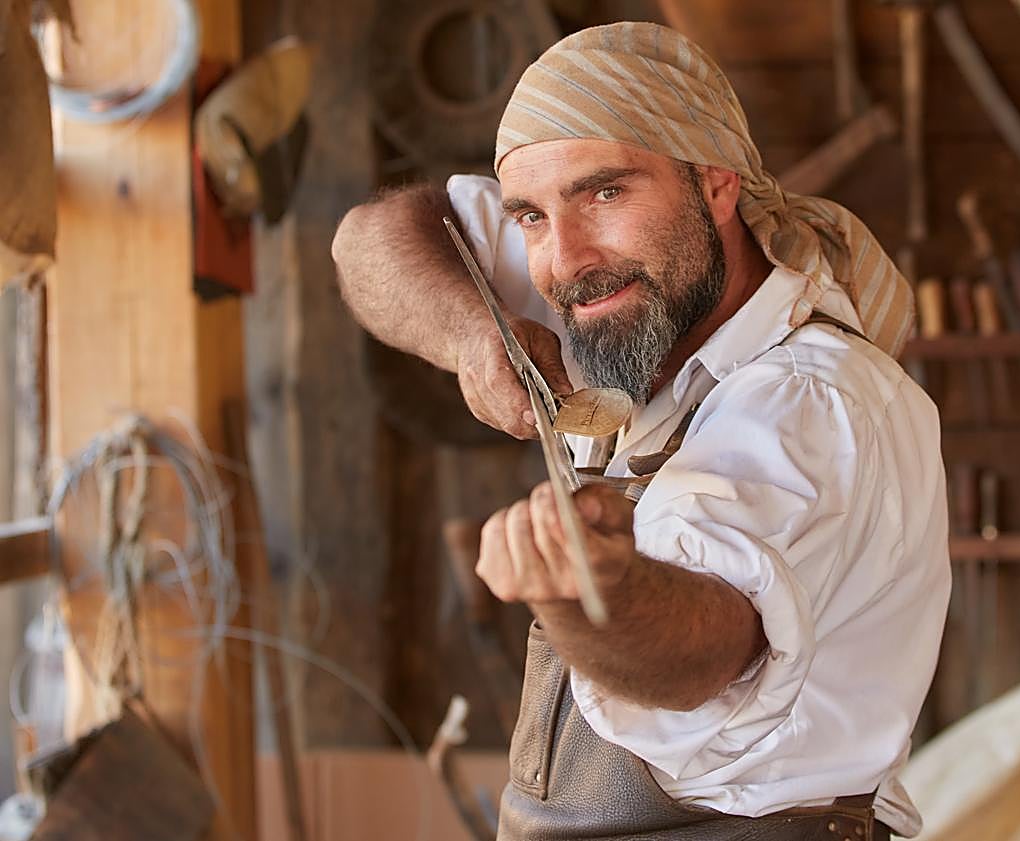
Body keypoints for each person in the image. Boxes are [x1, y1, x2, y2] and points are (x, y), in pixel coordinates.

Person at [333, 22, 950, 841]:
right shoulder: (621, 288)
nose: (564, 259)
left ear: (717, 183)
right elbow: (364, 245)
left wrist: (591, 592)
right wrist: (470, 335)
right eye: (528, 218)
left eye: (605, 193)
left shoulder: (808, 400)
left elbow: (703, 653)